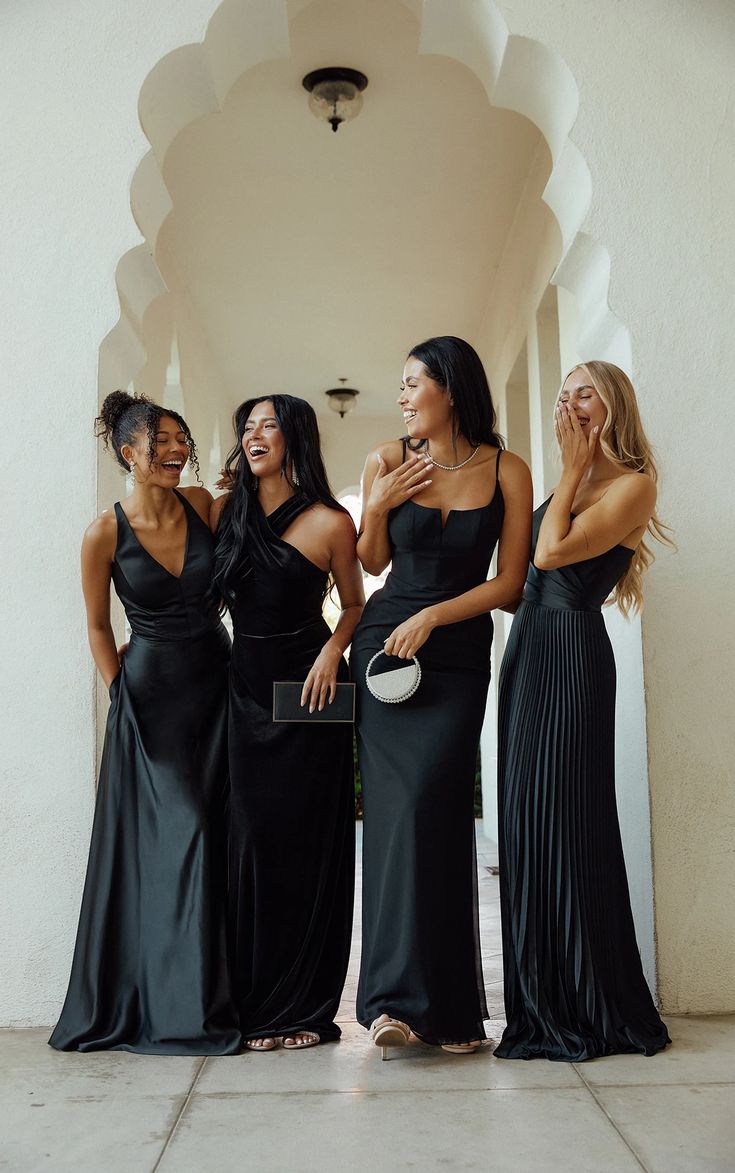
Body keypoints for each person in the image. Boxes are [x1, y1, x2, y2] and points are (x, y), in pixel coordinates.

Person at [351, 336, 532, 1056]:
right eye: (398, 386)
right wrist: (379, 505)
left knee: (440, 806)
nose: (399, 396)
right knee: (398, 816)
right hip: (387, 653)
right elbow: (370, 561)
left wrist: (434, 614)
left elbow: (510, 582)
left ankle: (452, 1008)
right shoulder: (386, 459)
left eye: (411, 383)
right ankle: (390, 1004)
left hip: (455, 653)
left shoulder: (505, 468)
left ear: (450, 388)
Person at [50, 391, 239, 1055]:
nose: (175, 451)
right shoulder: (104, 532)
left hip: (217, 684)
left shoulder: (203, 507)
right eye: (160, 443)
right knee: (179, 835)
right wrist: (118, 694)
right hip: (150, 698)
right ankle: (174, 1004)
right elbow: (100, 625)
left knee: (217, 834)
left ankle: (220, 993)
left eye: (181, 439)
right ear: (128, 452)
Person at [495, 360, 673, 1062]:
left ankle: (589, 1002)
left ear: (613, 406)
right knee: (525, 820)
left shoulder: (633, 484)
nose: (569, 402)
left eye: (584, 392)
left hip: (571, 652)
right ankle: (538, 999)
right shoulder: (575, 480)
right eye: (563, 392)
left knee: (567, 816)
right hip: (529, 648)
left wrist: (568, 472)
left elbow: (551, 551)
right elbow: (519, 576)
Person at [213, 394, 364, 1052]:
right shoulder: (225, 511)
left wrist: (334, 648)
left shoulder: (331, 521)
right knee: (250, 846)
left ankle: (303, 1006)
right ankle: (254, 1003)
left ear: (294, 437)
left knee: (308, 848)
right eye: (247, 426)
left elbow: (354, 604)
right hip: (243, 693)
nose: (254, 434)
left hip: (311, 694)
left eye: (268, 424)